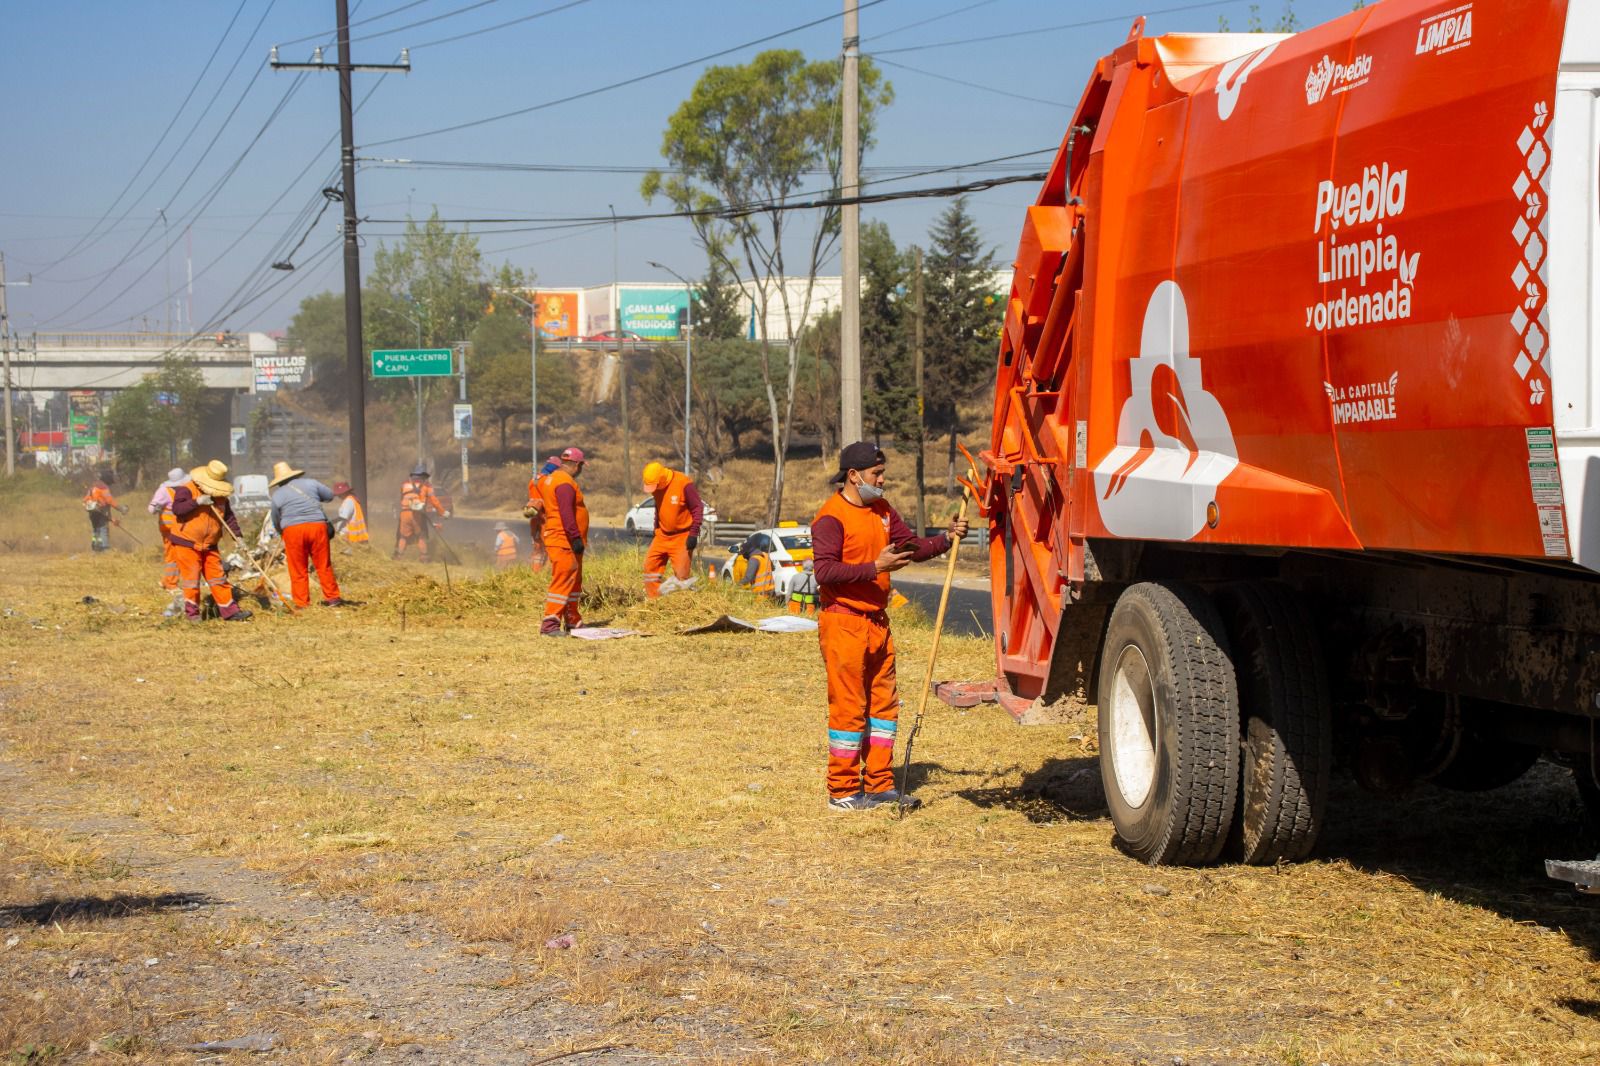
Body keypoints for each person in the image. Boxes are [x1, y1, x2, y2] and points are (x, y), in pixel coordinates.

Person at [811, 441, 967, 812]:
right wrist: (875, 567)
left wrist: (945, 540)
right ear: (853, 476)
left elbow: (909, 546)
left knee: (884, 708)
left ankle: (880, 784)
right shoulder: (830, 517)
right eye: (876, 474)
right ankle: (843, 791)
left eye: (882, 473)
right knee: (850, 708)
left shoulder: (881, 510)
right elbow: (824, 571)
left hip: (878, 623)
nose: (882, 480)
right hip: (843, 623)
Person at [167, 460, 253, 622]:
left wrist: (238, 537)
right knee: (192, 579)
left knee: (218, 578)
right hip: (186, 543)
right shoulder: (187, 490)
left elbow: (229, 518)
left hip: (210, 544)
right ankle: (193, 615)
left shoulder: (221, 497)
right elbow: (177, 510)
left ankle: (230, 611)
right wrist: (197, 502)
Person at [268, 461, 346, 608]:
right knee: (323, 564)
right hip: (317, 527)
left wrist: (281, 531)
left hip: (292, 531)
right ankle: (333, 598)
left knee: (298, 568)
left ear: (278, 481)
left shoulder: (277, 494)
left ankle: (302, 602)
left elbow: (275, 518)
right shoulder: (311, 483)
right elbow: (329, 495)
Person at [536, 447, 589, 636]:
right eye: (581, 465)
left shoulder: (553, 479)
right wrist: (575, 537)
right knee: (563, 579)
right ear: (576, 464)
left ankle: (573, 620)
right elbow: (566, 513)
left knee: (573, 580)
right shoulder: (565, 483)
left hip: (561, 537)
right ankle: (550, 624)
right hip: (563, 538)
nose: (581, 469)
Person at [640, 461, 705, 599]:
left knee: (682, 576)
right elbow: (659, 508)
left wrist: (693, 534)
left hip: (682, 536)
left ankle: (679, 605)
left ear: (662, 479)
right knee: (649, 567)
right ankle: (654, 600)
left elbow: (698, 508)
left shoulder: (683, 483)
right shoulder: (657, 487)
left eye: (655, 486)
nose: (653, 489)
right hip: (662, 535)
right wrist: (656, 528)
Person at [146, 466, 186, 598]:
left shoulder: (181, 489)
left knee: (177, 555)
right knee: (173, 556)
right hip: (169, 529)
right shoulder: (163, 491)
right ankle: (171, 585)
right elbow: (151, 508)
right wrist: (156, 507)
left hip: (179, 529)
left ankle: (166, 581)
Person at [395, 465, 449, 561]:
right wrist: (443, 512)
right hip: (417, 514)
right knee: (421, 535)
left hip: (404, 513)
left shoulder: (405, 484)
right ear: (423, 476)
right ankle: (424, 557)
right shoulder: (426, 486)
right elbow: (434, 501)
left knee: (403, 536)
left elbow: (401, 498)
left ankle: (399, 556)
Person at [522, 456, 559, 573]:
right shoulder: (548, 481)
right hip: (545, 518)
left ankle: (535, 572)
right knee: (550, 546)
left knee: (537, 547)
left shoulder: (534, 480)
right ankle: (548, 573)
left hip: (534, 516)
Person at [82, 470, 125, 552]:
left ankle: (95, 548)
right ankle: (105, 549)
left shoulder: (93, 487)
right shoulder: (103, 488)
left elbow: (85, 500)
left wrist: (112, 519)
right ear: (108, 479)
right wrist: (121, 508)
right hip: (100, 511)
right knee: (103, 529)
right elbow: (110, 501)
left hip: (92, 512)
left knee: (96, 529)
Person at [331, 481, 369, 546]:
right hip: (351, 536)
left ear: (345, 492)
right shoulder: (352, 499)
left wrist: (330, 522)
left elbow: (343, 517)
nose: (338, 496)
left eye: (339, 494)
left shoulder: (349, 501)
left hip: (348, 536)